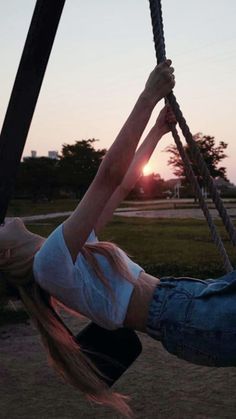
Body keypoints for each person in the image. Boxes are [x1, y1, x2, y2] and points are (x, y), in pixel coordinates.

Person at [1, 59, 235, 416]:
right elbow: (107, 174)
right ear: (4, 254)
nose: (4, 220)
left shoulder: (68, 252)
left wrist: (156, 130)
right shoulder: (49, 264)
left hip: (187, 303)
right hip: (186, 316)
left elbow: (122, 183)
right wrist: (148, 96)